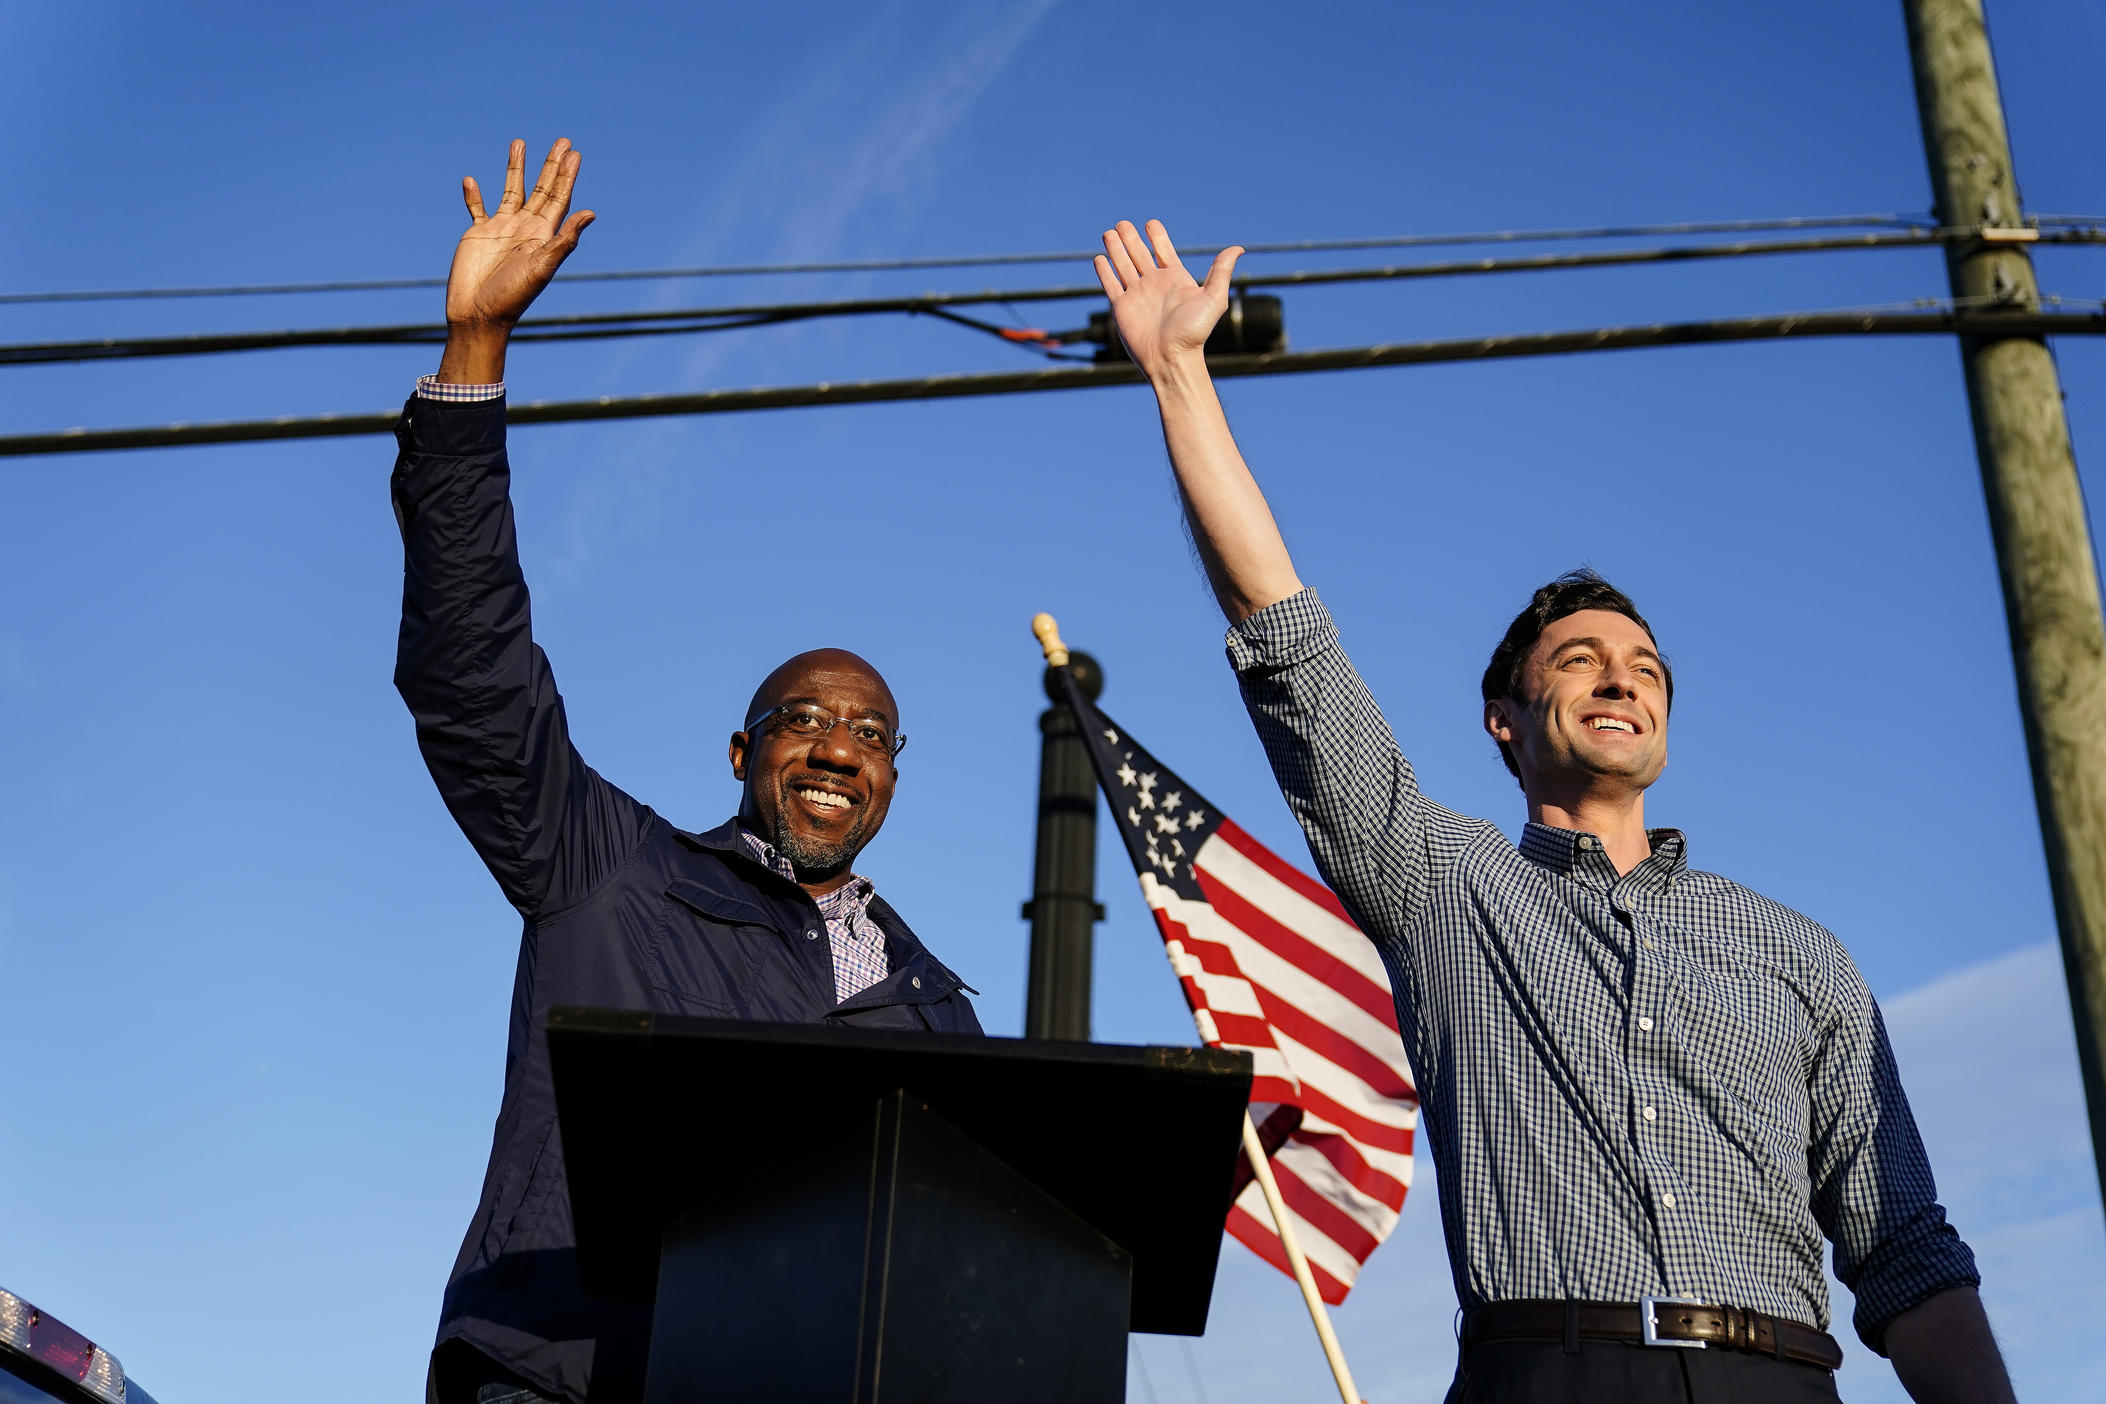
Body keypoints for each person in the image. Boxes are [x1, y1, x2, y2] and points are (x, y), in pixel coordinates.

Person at [1093, 217, 2017, 1404]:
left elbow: (1907, 1254)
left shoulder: (1803, 957)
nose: (1619, 675)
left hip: (1781, 1379)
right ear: (1505, 720)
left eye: (1642, 662)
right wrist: (1179, 374)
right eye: (1577, 659)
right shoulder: (1442, 882)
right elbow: (1286, 639)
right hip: (1545, 1369)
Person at [394, 139, 983, 1404]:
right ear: (742, 752)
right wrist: (475, 356)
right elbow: (471, 672)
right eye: (802, 719)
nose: (836, 748)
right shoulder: (608, 871)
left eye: (871, 735)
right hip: (564, 1376)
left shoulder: (936, 1005)